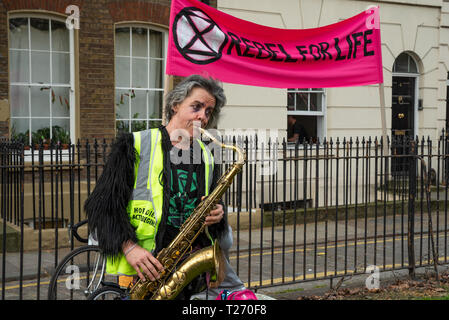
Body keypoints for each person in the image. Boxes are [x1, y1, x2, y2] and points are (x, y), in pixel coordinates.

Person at [84, 75, 232, 299]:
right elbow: (102, 207)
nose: (202, 116)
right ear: (175, 105)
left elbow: (211, 208)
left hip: (189, 271)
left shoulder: (207, 155)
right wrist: (129, 248)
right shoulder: (135, 144)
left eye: (208, 111)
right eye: (196, 107)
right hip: (144, 271)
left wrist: (218, 215)